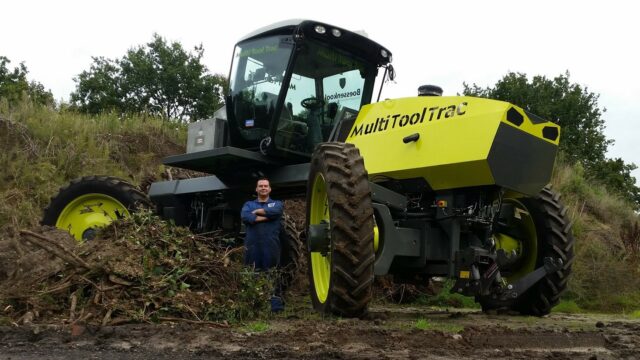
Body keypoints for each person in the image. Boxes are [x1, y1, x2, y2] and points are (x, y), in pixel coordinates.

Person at [240, 177, 285, 312]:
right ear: (256, 189)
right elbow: (245, 216)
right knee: (252, 272)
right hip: (252, 245)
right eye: (261, 186)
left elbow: (276, 212)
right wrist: (267, 217)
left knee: (272, 272)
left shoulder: (276, 203)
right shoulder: (248, 204)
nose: (263, 188)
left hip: (271, 245)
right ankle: (253, 305)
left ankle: (274, 307)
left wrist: (257, 213)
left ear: (270, 189)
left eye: (266, 186)